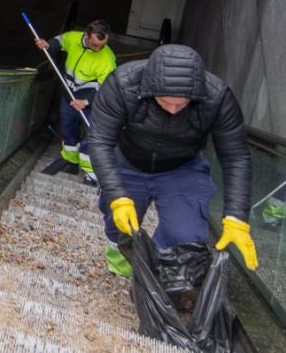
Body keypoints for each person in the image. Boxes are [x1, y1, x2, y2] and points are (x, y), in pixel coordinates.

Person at [87, 44, 256, 278]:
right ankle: (122, 261)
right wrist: (116, 195)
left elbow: (236, 156)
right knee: (120, 225)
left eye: (182, 103)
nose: (174, 110)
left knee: (184, 235)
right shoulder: (121, 85)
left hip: (182, 168)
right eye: (166, 102)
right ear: (149, 88)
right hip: (128, 162)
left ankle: (155, 274)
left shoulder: (217, 97)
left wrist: (237, 216)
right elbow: (99, 141)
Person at [34, 20, 116, 183]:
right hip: (69, 92)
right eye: (94, 44)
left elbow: (106, 87)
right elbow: (59, 41)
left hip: (92, 97)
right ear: (86, 35)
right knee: (67, 125)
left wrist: (85, 102)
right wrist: (47, 45)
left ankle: (91, 172)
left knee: (94, 131)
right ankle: (70, 161)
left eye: (102, 45)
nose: (98, 49)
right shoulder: (73, 38)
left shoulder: (107, 58)